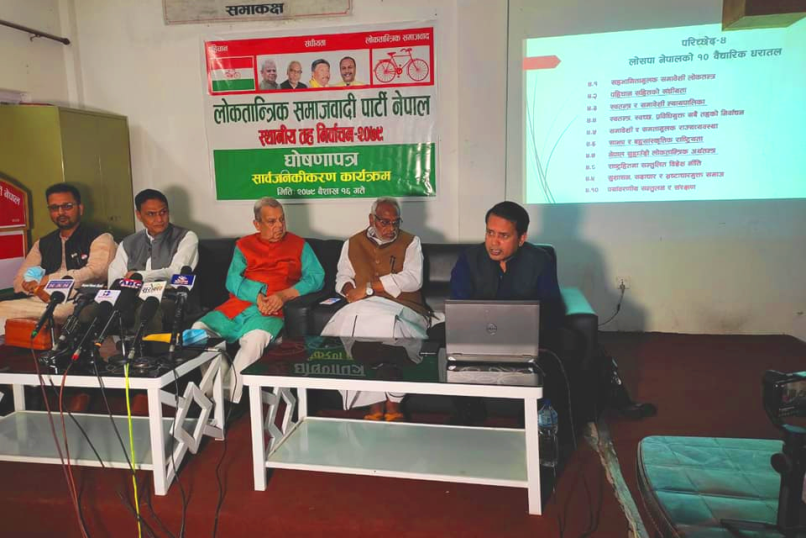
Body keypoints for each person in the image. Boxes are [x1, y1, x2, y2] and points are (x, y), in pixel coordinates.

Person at [194, 197, 324, 403]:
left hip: (272, 310)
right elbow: (232, 279)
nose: (279, 225)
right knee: (198, 331)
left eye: (282, 219)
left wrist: (284, 295)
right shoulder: (244, 245)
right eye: (272, 221)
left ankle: (229, 401)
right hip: (238, 306)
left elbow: (316, 278)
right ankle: (215, 393)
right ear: (257, 224)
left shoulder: (299, 245)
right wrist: (256, 295)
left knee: (253, 341)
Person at [321, 197, 428, 422]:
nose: (391, 228)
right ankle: (377, 402)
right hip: (362, 306)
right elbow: (343, 276)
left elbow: (413, 279)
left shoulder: (411, 242)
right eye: (384, 222)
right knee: (349, 322)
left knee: (379, 324)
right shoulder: (352, 243)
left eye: (395, 222)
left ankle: (391, 403)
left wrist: (369, 288)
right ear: (371, 219)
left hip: (402, 306)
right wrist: (350, 290)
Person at [0, 183, 115, 335]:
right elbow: (19, 282)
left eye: (67, 206)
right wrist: (34, 287)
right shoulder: (43, 243)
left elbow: (96, 272)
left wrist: (48, 280)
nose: (60, 212)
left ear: (80, 208)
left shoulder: (100, 238)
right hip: (42, 299)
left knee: (58, 313)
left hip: (80, 299)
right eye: (54, 208)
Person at [107, 189, 199, 332]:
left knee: (148, 311)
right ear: (139, 215)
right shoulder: (128, 242)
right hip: (133, 298)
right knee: (90, 311)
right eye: (151, 214)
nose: (159, 219)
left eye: (163, 212)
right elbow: (115, 278)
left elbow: (176, 273)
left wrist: (139, 276)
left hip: (170, 298)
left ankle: (145, 347)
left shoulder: (186, 237)